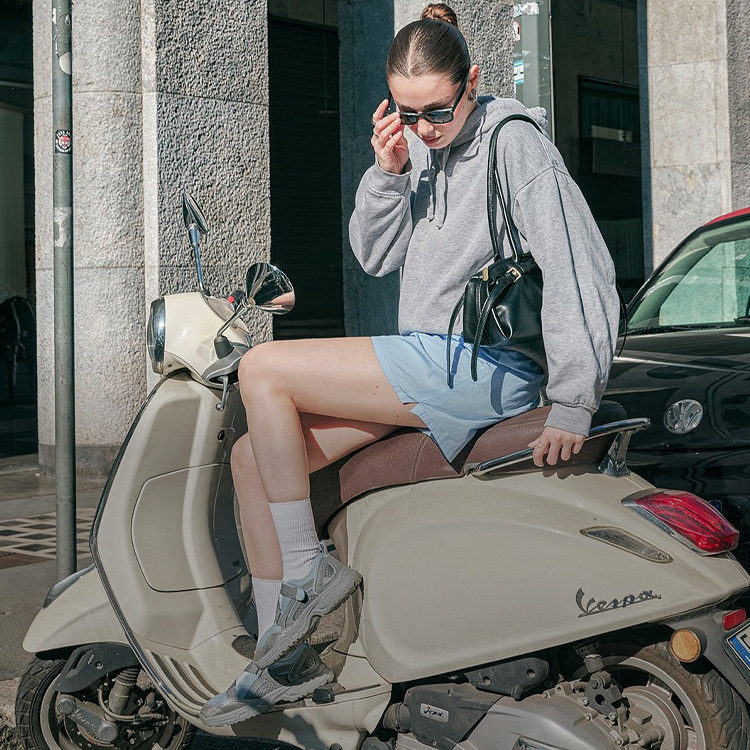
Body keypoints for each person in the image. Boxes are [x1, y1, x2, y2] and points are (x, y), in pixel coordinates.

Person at [200, 2, 619, 726]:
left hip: (483, 365)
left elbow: (578, 264)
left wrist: (576, 398)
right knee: (250, 460)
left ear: (473, 83)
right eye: (407, 112)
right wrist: (387, 171)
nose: (424, 128)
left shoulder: (514, 143)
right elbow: (375, 256)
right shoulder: (419, 151)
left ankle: (307, 577)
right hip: (431, 363)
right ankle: (282, 654)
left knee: (264, 368)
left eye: (438, 112)